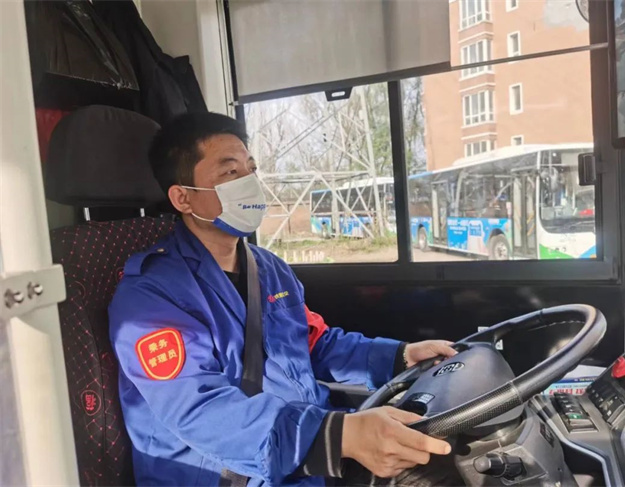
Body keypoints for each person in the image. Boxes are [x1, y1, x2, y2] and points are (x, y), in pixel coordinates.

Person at [109, 112, 458, 487]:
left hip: (304, 457)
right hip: (228, 474)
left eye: (251, 169)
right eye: (230, 173)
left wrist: (399, 356)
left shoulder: (268, 268)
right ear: (183, 197)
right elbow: (199, 410)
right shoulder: (150, 295)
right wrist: (336, 436)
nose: (249, 183)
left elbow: (313, 343)